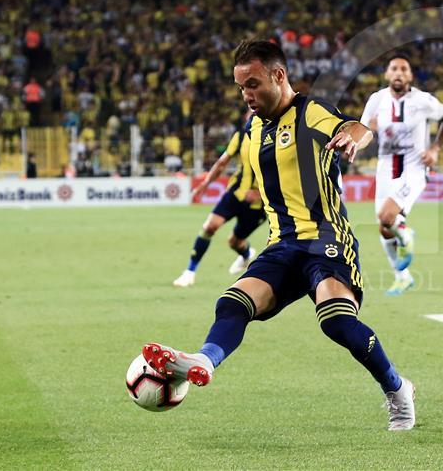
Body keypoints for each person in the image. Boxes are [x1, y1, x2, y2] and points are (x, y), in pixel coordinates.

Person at [144, 39, 415, 431]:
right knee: (232, 302)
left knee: (336, 322)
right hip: (283, 246)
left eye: (253, 84)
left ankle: (398, 390)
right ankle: (203, 360)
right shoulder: (253, 128)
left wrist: (353, 137)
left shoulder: (310, 111)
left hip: (326, 239)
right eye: (241, 87)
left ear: (279, 75)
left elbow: (355, 127)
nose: (246, 95)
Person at [360, 54, 443, 295]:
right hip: (386, 168)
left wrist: (435, 149)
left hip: (414, 168)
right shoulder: (376, 100)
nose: (399, 73)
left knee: (387, 216)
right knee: (384, 228)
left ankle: (405, 233)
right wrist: (358, 139)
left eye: (404, 69)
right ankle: (402, 276)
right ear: (387, 74)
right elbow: (362, 131)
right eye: (394, 68)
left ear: (410, 76)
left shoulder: (422, 100)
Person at [172, 111, 267, 287]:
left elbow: (285, 174)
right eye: (249, 111)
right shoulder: (241, 136)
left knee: (235, 241)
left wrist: (261, 194)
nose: (251, 113)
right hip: (235, 193)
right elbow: (222, 162)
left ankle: (246, 254)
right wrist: (205, 184)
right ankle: (189, 272)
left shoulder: (276, 138)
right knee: (210, 226)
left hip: (259, 204)